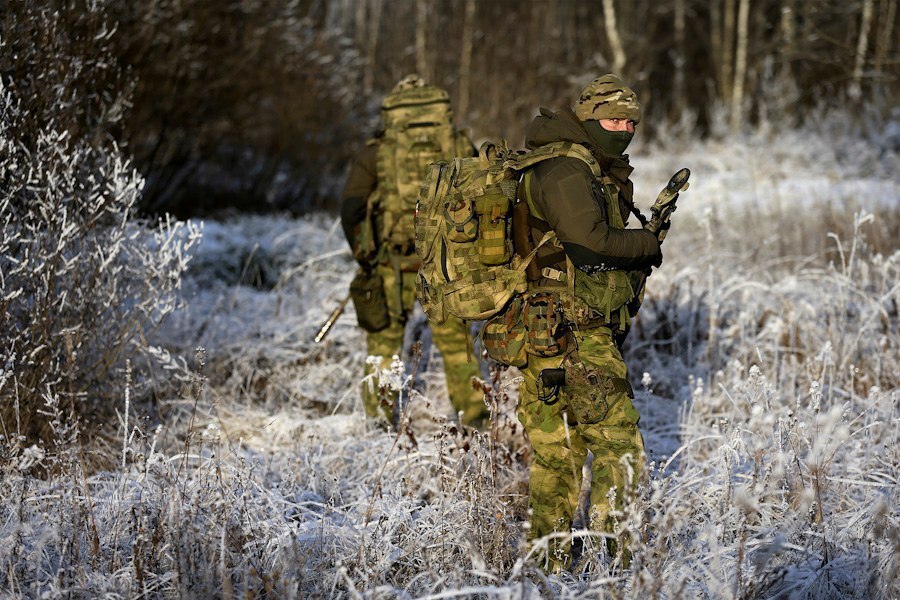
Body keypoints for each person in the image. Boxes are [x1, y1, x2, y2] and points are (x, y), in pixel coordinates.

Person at [513, 74, 662, 570]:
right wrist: (646, 245)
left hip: (553, 327)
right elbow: (589, 244)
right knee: (619, 447)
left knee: (562, 449)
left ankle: (549, 566)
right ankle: (613, 566)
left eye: (629, 121)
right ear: (586, 118)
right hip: (571, 330)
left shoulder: (583, 164)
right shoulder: (563, 169)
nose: (621, 129)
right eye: (611, 119)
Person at [340, 75, 488, 428]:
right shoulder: (456, 143)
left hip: (391, 259)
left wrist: (365, 256)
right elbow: (482, 199)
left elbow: (351, 208)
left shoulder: (377, 150)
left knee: (384, 344)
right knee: (456, 346)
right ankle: (476, 422)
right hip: (445, 262)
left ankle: (379, 420)